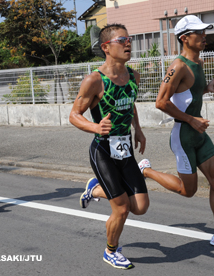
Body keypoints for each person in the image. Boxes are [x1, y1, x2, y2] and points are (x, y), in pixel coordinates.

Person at [140, 15, 214, 250]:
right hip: (183, 136)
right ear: (185, 38)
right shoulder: (177, 66)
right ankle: (145, 170)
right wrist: (190, 120)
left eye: (204, 31)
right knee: (188, 191)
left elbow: (189, 95)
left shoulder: (199, 63)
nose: (204, 36)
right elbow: (160, 102)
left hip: (198, 133)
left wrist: (206, 89)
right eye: (199, 32)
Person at [69, 24, 148, 270]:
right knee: (122, 209)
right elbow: (74, 114)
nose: (128, 44)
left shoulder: (133, 76)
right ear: (106, 47)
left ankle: (93, 190)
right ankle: (110, 251)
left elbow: (130, 103)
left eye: (129, 39)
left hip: (125, 148)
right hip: (103, 149)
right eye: (122, 39)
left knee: (141, 207)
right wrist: (95, 128)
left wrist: (138, 129)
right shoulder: (95, 80)